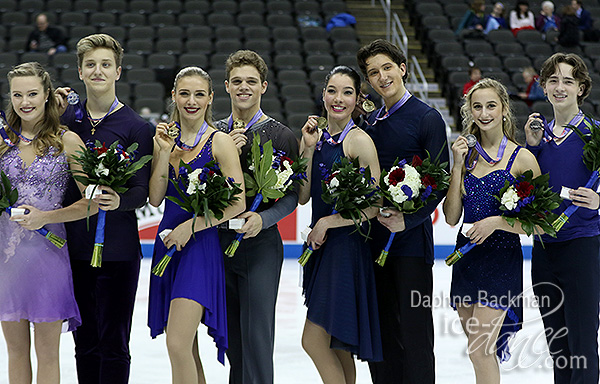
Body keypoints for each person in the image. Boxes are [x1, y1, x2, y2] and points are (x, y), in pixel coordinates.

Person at [55, 34, 154, 384]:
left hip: (119, 249)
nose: (98, 71)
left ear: (118, 71)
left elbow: (142, 190)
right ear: (80, 72)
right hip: (74, 247)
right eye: (91, 65)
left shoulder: (137, 127)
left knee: (114, 343)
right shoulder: (65, 121)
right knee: (85, 343)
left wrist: (120, 200)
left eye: (106, 65)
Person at [356, 39, 450, 384]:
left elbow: (439, 181)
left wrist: (407, 219)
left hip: (411, 244)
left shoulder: (427, 118)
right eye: (373, 73)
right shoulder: (369, 123)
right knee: (380, 331)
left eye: (386, 68)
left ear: (402, 69)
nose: (381, 77)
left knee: (414, 333)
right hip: (372, 241)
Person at [147, 66, 245, 384]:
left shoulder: (219, 142)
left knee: (176, 344)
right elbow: (156, 198)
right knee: (186, 347)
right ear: (174, 96)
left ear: (210, 98)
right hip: (169, 245)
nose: (191, 101)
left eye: (199, 94)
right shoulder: (164, 141)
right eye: (185, 93)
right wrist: (163, 153)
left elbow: (238, 202)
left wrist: (192, 227)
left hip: (199, 247)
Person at [444, 78, 541, 383]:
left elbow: (539, 222)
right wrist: (457, 165)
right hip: (466, 259)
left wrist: (497, 222)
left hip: (501, 261)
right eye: (477, 107)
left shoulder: (521, 158)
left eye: (490, 106)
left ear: (503, 110)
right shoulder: (466, 156)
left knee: (479, 350)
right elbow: (450, 217)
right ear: (469, 111)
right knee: (478, 350)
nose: (484, 113)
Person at [214, 50, 300, 384]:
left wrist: (264, 220)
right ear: (226, 86)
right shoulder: (215, 132)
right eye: (237, 81)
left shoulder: (281, 136)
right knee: (233, 338)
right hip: (220, 243)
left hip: (261, 245)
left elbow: (292, 194)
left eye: (251, 81)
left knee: (257, 338)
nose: (244, 87)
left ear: (263, 86)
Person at [298, 65, 383, 383]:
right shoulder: (317, 138)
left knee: (313, 340)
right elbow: (304, 195)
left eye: (347, 92)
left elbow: (374, 207)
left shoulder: (359, 141)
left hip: (345, 250)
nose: (338, 98)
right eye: (332, 90)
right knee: (337, 346)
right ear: (323, 95)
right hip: (324, 250)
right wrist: (306, 148)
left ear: (357, 99)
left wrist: (327, 223)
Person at [0, 62, 83, 384]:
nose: (25, 102)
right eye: (17, 95)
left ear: (47, 95)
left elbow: (91, 203)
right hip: (7, 258)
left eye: (32, 93)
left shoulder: (68, 141)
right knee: (15, 352)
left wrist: (46, 217)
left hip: (48, 256)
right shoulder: (3, 142)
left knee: (48, 353)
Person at [525, 52, 600, 384]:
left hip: (583, 247)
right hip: (543, 250)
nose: (560, 87)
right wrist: (532, 146)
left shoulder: (595, 133)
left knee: (583, 341)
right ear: (543, 87)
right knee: (559, 345)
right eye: (553, 80)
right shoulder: (538, 137)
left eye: (568, 81)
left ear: (581, 88)